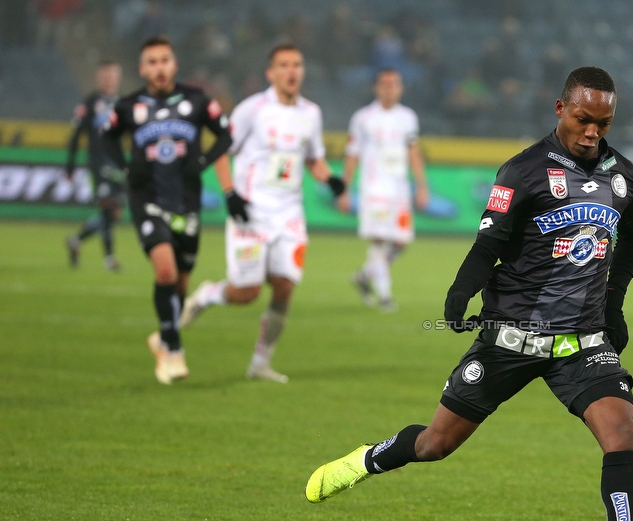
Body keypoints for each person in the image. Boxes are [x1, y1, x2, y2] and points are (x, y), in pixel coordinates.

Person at [305, 67, 633, 521]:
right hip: (511, 336)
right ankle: (365, 460)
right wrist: (460, 293)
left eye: (602, 123)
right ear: (560, 108)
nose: (591, 133)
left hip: (580, 342)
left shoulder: (623, 176)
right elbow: (490, 242)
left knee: (622, 434)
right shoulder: (524, 170)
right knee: (435, 444)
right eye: (583, 119)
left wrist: (613, 303)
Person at [180, 44, 346, 383]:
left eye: (297, 64)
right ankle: (207, 295)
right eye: (284, 65)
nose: (292, 71)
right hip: (251, 213)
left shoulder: (310, 113)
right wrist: (229, 193)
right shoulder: (252, 109)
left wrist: (330, 179)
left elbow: (312, 157)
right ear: (270, 73)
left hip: (289, 215)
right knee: (247, 293)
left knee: (284, 287)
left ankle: (260, 362)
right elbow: (222, 149)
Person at [102, 35, 234, 385]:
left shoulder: (197, 100)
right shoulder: (128, 106)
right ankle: (173, 351)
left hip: (186, 201)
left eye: (165, 60)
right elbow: (107, 137)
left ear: (174, 64)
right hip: (147, 199)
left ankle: (162, 336)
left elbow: (225, 135)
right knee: (165, 273)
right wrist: (126, 170)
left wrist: (204, 161)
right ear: (142, 68)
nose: (159, 68)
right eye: (152, 61)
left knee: (180, 285)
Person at [339, 68, 428, 312]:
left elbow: (413, 150)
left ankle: (364, 275)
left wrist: (421, 185)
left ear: (400, 88)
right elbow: (352, 154)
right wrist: (344, 189)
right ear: (376, 88)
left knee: (401, 242)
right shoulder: (363, 118)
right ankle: (385, 297)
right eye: (384, 84)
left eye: (394, 84)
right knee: (379, 241)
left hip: (399, 189)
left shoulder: (408, 117)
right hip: (373, 188)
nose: (389, 88)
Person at [65, 60, 126, 272]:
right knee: (108, 207)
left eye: (114, 75)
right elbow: (76, 136)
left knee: (113, 213)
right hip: (99, 164)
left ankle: (76, 239)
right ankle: (109, 259)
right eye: (107, 75)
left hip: (117, 164)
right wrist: (70, 167)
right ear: (100, 78)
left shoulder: (120, 103)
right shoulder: (90, 102)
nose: (111, 79)